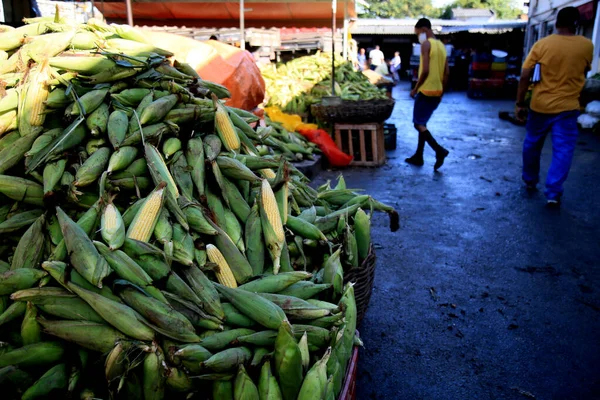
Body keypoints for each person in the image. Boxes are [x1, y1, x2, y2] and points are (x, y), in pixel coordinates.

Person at [516, 7, 593, 208]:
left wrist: (519, 102)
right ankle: (553, 192)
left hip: (539, 105)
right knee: (563, 150)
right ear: (576, 24)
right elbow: (584, 71)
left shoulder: (542, 44)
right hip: (568, 107)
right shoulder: (587, 46)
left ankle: (530, 180)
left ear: (556, 23)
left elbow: (525, 75)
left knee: (532, 144)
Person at [406, 18, 450, 171]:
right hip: (437, 91)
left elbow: (424, 71)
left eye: (418, 33)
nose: (418, 37)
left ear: (424, 29)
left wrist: (415, 88)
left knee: (418, 124)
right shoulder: (442, 46)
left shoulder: (426, 44)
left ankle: (439, 150)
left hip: (425, 90)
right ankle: (419, 156)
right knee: (423, 124)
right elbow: (446, 73)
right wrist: (442, 91)